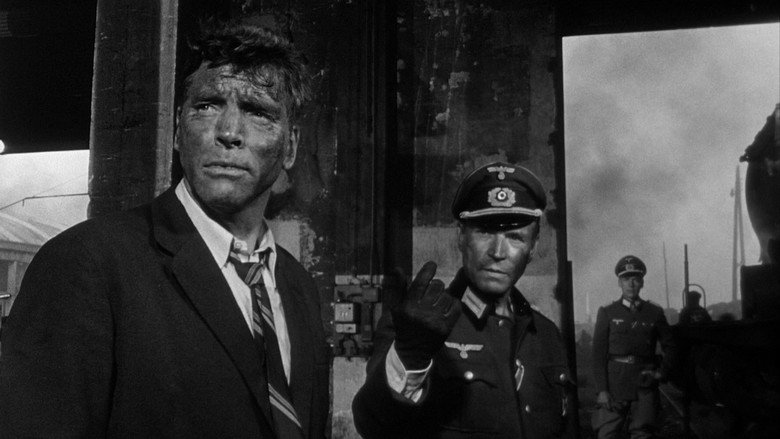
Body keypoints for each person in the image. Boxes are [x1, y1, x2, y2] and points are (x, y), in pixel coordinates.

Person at [0, 21, 329, 438]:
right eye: (206, 106)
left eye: (258, 112)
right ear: (177, 130)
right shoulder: (85, 265)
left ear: (291, 147)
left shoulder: (298, 287)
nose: (228, 132)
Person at [352, 162, 573, 438]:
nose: (498, 252)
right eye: (485, 232)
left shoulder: (547, 335)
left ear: (533, 247)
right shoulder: (416, 327)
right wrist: (409, 357)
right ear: (461, 236)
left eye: (515, 237)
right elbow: (372, 425)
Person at [591, 256, 676, 439]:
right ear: (619, 283)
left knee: (643, 433)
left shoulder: (654, 312)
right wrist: (602, 390)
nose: (631, 284)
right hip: (615, 384)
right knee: (607, 433)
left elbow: (671, 346)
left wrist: (662, 373)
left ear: (642, 282)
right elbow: (598, 354)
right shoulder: (607, 312)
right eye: (626, 279)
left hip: (644, 383)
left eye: (635, 279)